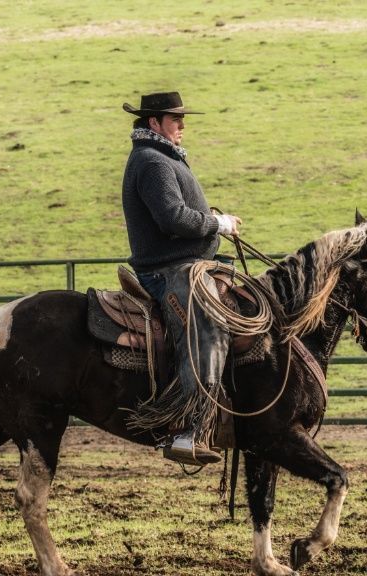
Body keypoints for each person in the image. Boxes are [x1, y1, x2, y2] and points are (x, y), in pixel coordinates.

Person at [120, 91, 242, 466]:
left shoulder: (159, 158)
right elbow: (173, 218)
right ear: (154, 123)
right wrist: (216, 223)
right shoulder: (153, 162)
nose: (182, 126)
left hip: (185, 264)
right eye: (175, 120)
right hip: (168, 270)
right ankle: (190, 429)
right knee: (204, 326)